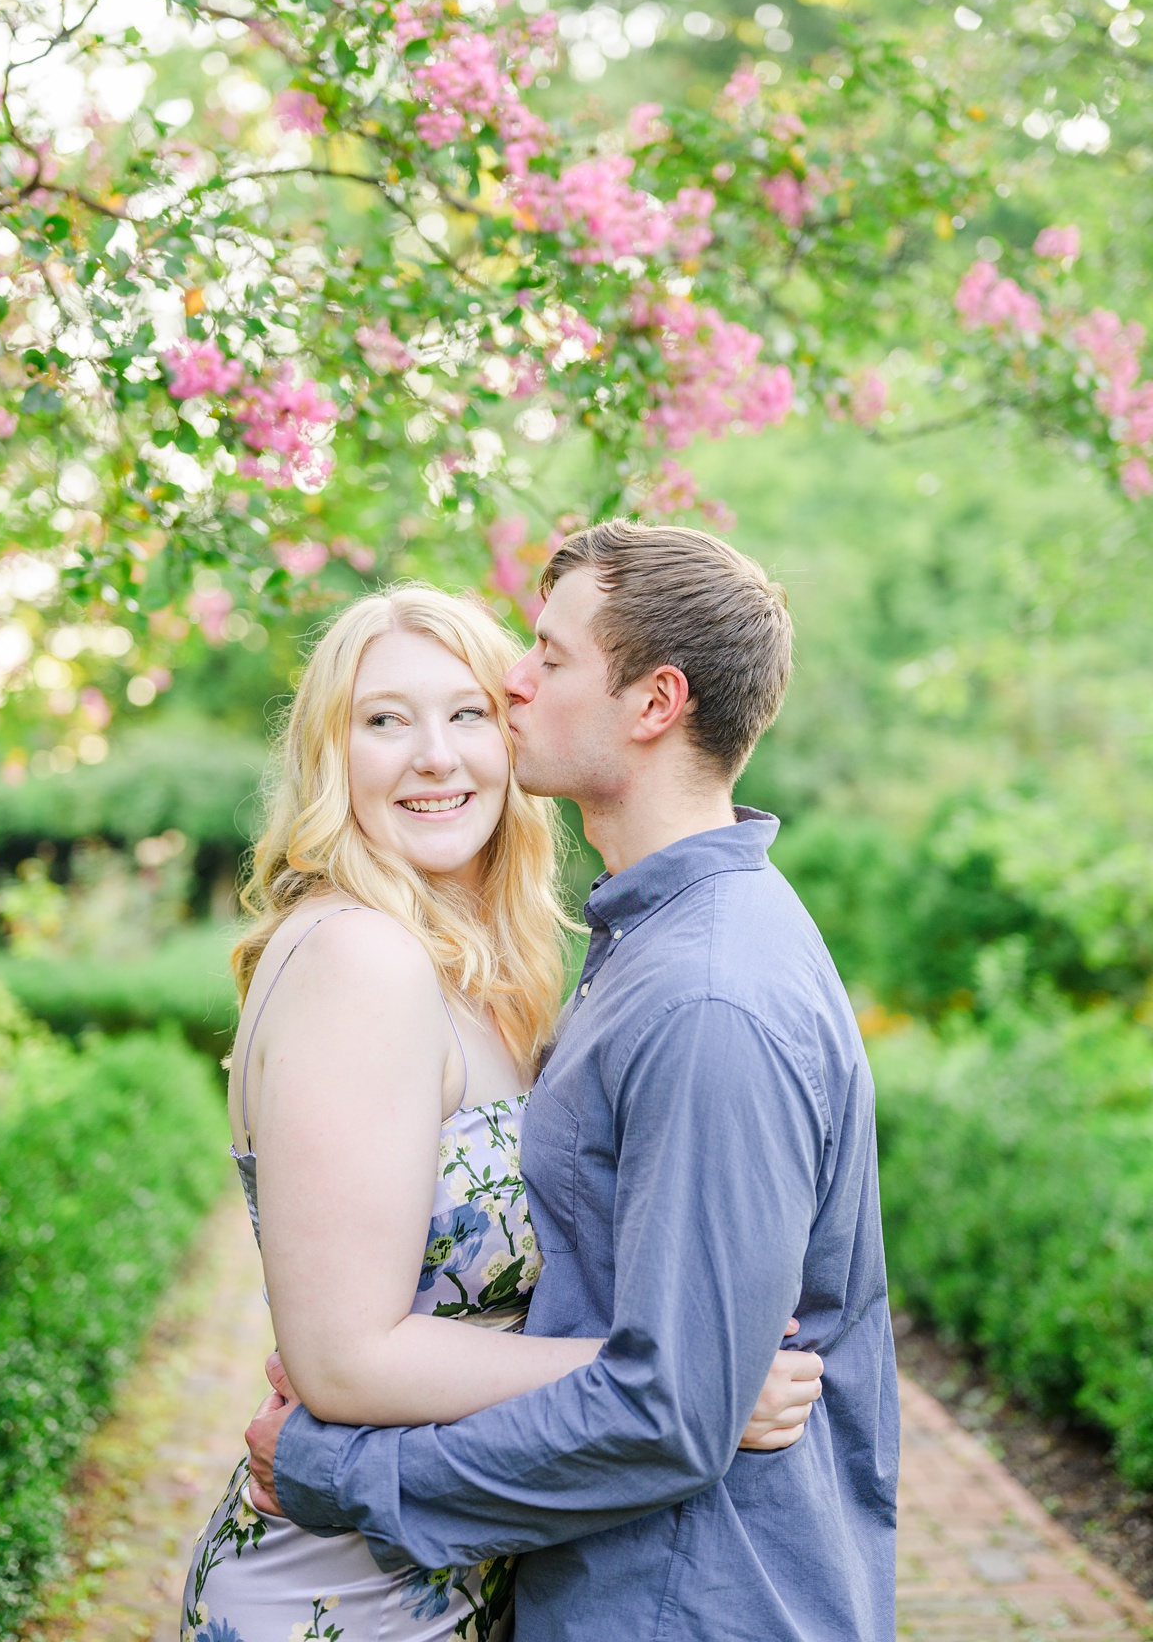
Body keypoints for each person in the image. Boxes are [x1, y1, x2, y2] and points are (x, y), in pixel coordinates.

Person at [238, 522, 897, 1641]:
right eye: (384, 719)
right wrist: (693, 1377)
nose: (513, 683)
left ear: (653, 703)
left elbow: (667, 1408)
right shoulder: (620, 949)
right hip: (403, 1590)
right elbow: (669, 1386)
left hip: (685, 1596)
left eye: (546, 657)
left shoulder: (700, 989)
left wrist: (335, 1465)